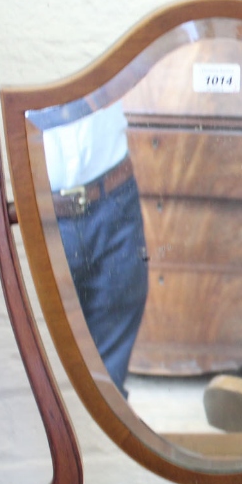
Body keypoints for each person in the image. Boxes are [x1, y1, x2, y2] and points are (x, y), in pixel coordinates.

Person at [40, 101, 148, 395]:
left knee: (110, 375)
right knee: (43, 363)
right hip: (41, 213)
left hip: (114, 197)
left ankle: (103, 439)